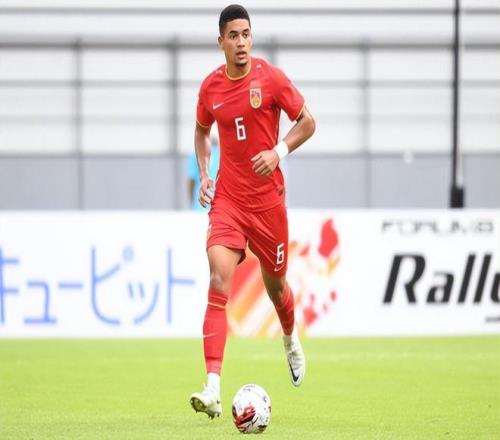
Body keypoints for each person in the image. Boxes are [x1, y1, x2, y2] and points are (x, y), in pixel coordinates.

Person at [189, 4, 316, 419]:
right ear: (221, 41)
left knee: (276, 289)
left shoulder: (270, 78)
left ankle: (290, 338)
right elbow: (201, 131)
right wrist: (205, 174)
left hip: (267, 205)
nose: (241, 42)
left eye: (246, 34)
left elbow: (308, 122)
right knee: (218, 279)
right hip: (228, 200)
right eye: (234, 35)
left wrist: (278, 152)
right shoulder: (210, 88)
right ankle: (212, 387)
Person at [187, 136, 220, 211]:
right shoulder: (222, 154)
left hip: (200, 205)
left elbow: (191, 180)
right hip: (218, 207)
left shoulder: (195, 154)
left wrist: (192, 202)